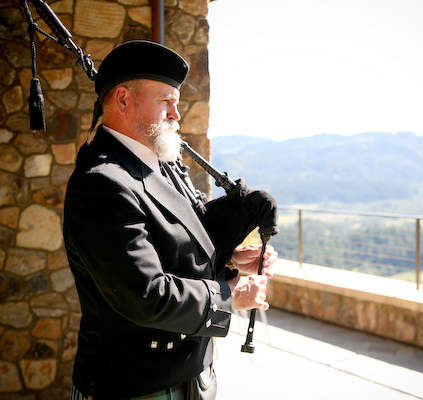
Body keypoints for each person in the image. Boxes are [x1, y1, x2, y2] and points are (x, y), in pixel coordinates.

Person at [63, 40, 277, 400]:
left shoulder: (162, 163)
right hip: (137, 384)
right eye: (166, 102)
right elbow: (145, 293)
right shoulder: (101, 183)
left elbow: (178, 243)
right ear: (123, 100)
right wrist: (229, 298)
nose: (176, 115)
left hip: (192, 373)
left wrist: (229, 259)